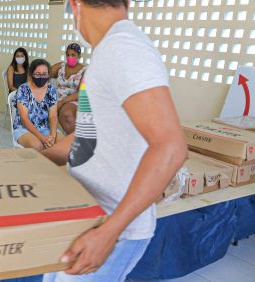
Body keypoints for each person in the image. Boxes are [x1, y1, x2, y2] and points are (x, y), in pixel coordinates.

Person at [41, 1, 188, 281]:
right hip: (87, 216)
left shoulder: (124, 49)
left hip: (109, 227)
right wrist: (28, 161)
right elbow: (88, 134)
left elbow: (171, 147)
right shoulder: (108, 50)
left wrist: (110, 231)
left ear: (75, 5)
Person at [12, 59, 63, 151]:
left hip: (45, 127)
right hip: (24, 129)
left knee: (63, 145)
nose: (41, 77)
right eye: (38, 74)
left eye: (44, 74)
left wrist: (52, 136)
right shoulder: (23, 89)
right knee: (38, 146)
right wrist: (43, 139)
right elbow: (24, 119)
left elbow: (53, 116)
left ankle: (51, 165)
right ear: (31, 74)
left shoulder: (51, 90)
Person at [50, 43, 86, 134]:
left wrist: (61, 102)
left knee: (67, 115)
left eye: (73, 55)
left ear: (79, 56)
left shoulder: (84, 71)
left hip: (72, 99)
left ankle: (75, 141)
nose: (70, 57)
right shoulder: (61, 66)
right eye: (68, 55)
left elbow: (80, 93)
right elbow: (43, 74)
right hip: (57, 97)